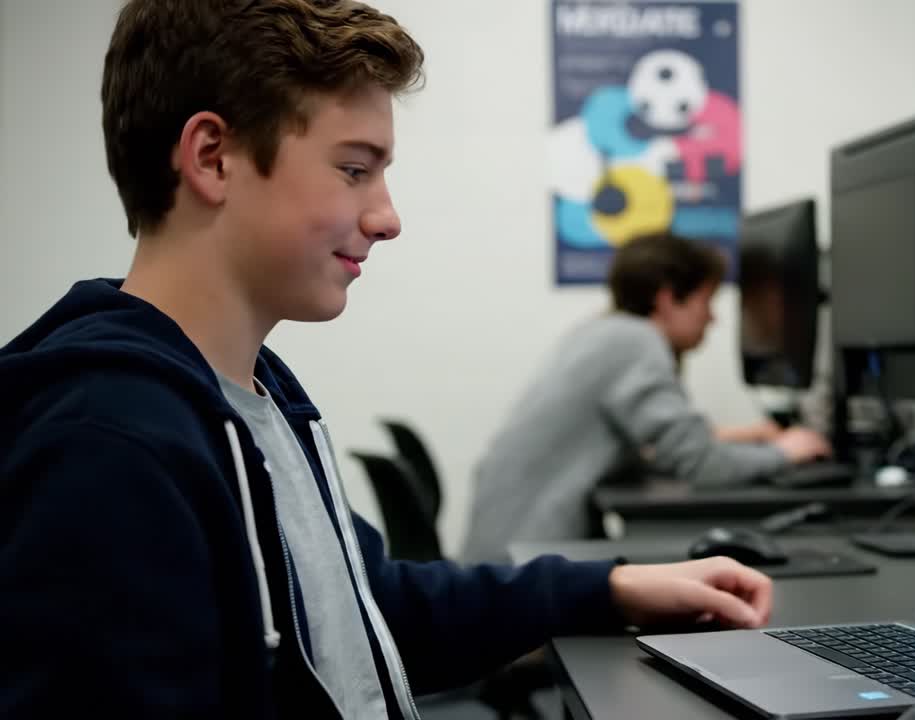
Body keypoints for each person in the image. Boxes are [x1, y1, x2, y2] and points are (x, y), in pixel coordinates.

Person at [0, 2, 774, 716]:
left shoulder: (256, 394)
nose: (387, 216)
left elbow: (370, 604)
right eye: (354, 168)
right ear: (213, 157)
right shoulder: (108, 448)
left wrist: (610, 588)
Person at [463, 233, 832, 563]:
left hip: (508, 549)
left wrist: (745, 435)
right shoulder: (635, 342)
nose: (713, 319)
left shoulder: (605, 332)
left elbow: (652, 445)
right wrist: (787, 452)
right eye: (706, 302)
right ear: (669, 299)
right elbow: (702, 464)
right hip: (521, 568)